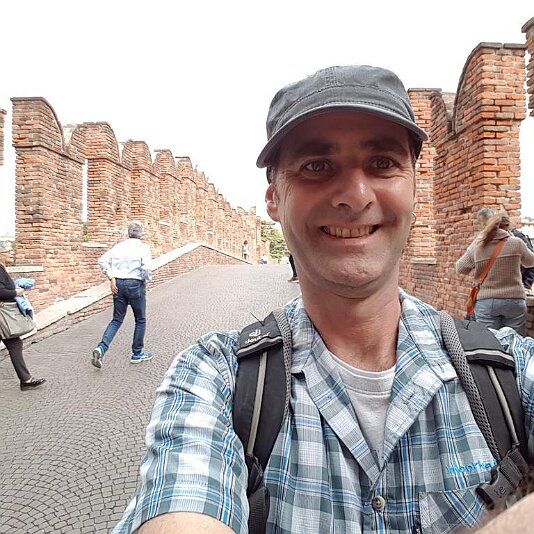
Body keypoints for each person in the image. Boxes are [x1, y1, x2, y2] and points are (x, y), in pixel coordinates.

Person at [114, 66, 534, 533]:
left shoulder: (512, 372)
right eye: (316, 166)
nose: (355, 197)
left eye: (382, 163)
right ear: (274, 199)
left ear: (415, 187)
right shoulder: (216, 377)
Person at [457, 210, 534, 334]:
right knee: (515, 340)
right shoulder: (516, 243)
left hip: (486, 301)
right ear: (507, 226)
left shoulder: (478, 244)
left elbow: (461, 268)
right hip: (514, 300)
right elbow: (530, 262)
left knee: (489, 340)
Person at [91, 221, 153, 368]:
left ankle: (101, 347)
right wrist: (146, 279)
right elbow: (146, 268)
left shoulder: (118, 246)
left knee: (116, 319)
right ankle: (137, 353)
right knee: (140, 319)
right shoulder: (143, 247)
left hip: (118, 283)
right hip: (135, 284)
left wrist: (111, 277)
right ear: (141, 234)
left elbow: (102, 261)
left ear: (128, 233)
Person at [0, 240, 45, 390]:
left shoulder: (2, 269)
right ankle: (26, 380)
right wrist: (16, 292)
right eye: (9, 251)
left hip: (3, 317)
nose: (12, 253)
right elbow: (1, 292)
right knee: (14, 344)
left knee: (14, 344)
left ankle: (26, 380)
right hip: (3, 314)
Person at [477, 207, 534, 292]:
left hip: (515, 288)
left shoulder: (517, 238)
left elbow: (531, 264)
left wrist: (526, 285)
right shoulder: (486, 240)